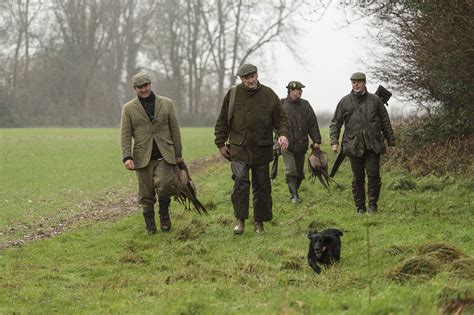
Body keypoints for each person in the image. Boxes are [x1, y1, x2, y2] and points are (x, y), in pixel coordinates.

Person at [214, 64, 289, 234]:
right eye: (247, 78)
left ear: (257, 75)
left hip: (262, 149)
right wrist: (220, 143)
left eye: (253, 76)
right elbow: (222, 121)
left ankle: (259, 222)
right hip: (238, 148)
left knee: (262, 186)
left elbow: (282, 119)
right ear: (241, 79)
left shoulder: (269, 94)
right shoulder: (233, 94)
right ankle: (240, 220)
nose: (251, 80)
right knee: (240, 182)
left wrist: (282, 135)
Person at [120, 72, 183, 234]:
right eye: (140, 87)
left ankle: (164, 215)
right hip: (142, 157)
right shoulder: (128, 109)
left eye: (146, 85)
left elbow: (175, 130)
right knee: (146, 193)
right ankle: (150, 225)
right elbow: (125, 134)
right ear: (135, 89)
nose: (144, 89)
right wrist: (127, 157)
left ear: (150, 84)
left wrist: (178, 153)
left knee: (164, 186)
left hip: (165, 155)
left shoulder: (167, 104)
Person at [329, 72, 395, 214]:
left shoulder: (375, 100)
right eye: (353, 82)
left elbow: (385, 121)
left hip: (372, 144)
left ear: (365, 83)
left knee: (373, 174)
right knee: (357, 178)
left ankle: (372, 204)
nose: (356, 84)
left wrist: (391, 141)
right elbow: (335, 123)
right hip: (353, 145)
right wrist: (334, 142)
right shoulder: (344, 102)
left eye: (359, 82)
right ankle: (360, 207)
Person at [281, 81, 322, 203]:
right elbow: (274, 122)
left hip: (301, 144)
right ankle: (295, 197)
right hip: (286, 145)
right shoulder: (281, 104)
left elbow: (312, 124)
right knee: (291, 170)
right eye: (296, 90)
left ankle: (294, 193)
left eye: (300, 90)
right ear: (290, 91)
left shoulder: (305, 105)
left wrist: (316, 140)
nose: (299, 92)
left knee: (299, 173)